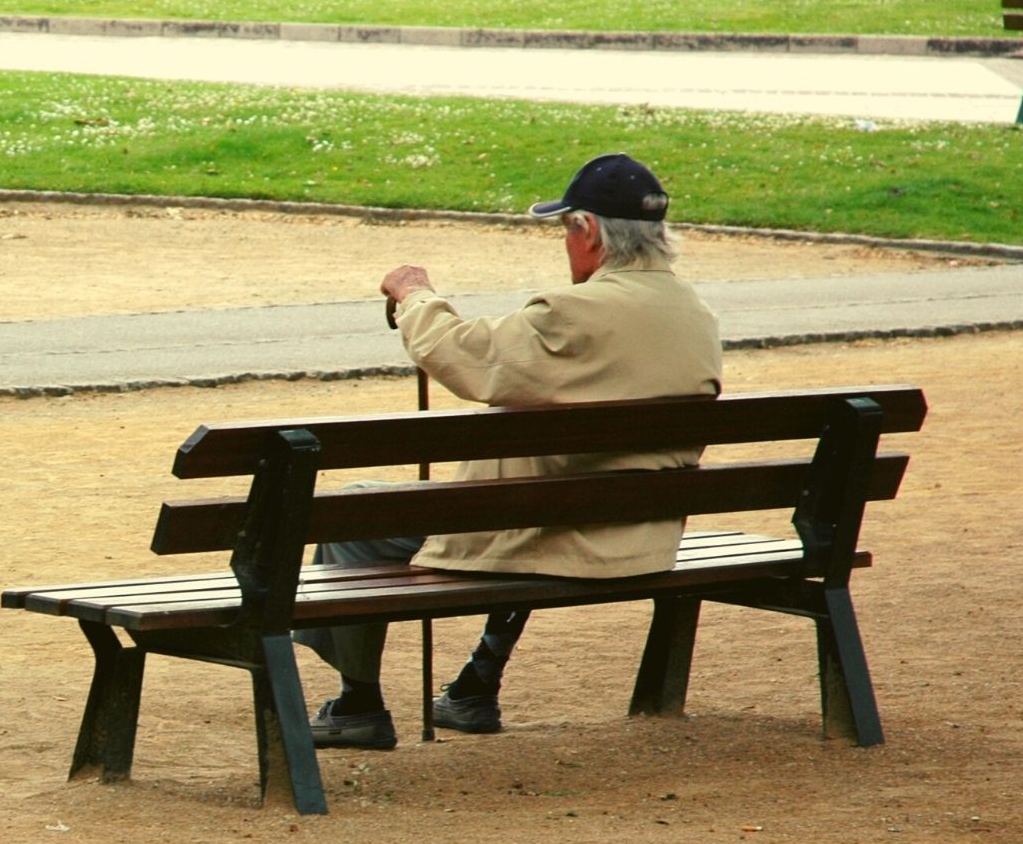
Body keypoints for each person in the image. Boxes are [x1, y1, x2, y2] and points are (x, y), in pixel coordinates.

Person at [302, 152, 724, 750]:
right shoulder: (696, 314)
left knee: (354, 515)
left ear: (590, 232)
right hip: (641, 534)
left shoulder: (572, 313)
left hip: (554, 535)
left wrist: (416, 295)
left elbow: (467, 358)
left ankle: (359, 703)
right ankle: (477, 683)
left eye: (565, 229)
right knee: (539, 487)